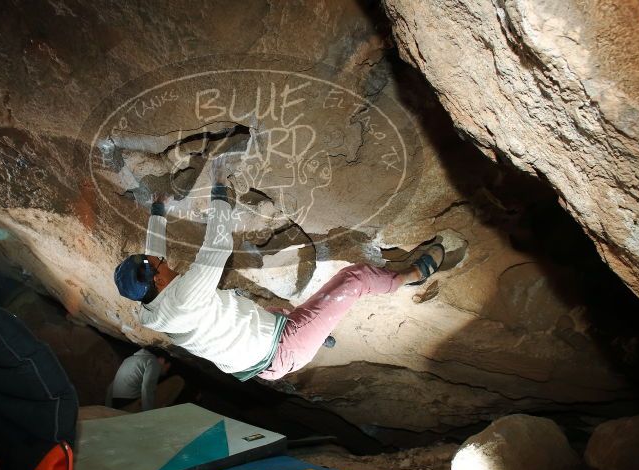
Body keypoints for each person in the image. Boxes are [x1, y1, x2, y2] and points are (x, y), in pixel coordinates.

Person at [114, 162, 445, 381]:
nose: (160, 259)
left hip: (255, 358)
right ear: (157, 278)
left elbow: (151, 256)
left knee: (275, 309)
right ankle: (411, 276)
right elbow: (217, 246)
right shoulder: (185, 297)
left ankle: (318, 332)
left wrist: (158, 210)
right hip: (285, 347)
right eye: (157, 264)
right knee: (353, 279)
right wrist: (218, 189)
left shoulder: (150, 309)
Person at [105, 348, 184, 412]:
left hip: (117, 407)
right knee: (177, 381)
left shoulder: (129, 360)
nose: (165, 372)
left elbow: (110, 387)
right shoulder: (153, 362)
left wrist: (108, 410)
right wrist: (147, 414)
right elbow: (147, 388)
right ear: (162, 360)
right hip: (131, 407)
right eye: (167, 367)